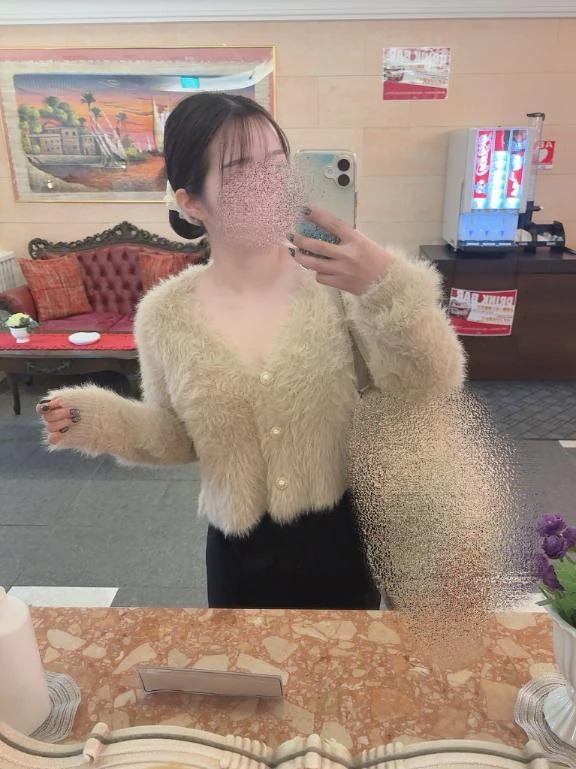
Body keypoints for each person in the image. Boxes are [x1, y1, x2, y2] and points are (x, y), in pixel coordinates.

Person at [37, 92, 466, 610]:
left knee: (346, 665)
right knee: (241, 665)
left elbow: (429, 383)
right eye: (241, 171)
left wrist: (385, 285)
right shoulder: (165, 315)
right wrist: (96, 419)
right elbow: (177, 437)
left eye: (277, 166)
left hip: (342, 541)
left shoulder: (341, 286)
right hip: (237, 555)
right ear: (192, 202)